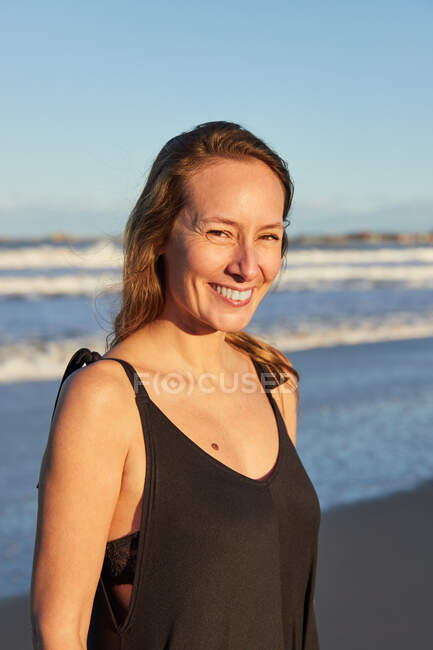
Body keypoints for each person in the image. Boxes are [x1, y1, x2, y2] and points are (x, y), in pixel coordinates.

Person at [30, 121, 321, 649]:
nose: (248, 266)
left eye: (268, 237)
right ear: (160, 235)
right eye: (219, 232)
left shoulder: (275, 382)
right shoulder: (105, 400)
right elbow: (59, 631)